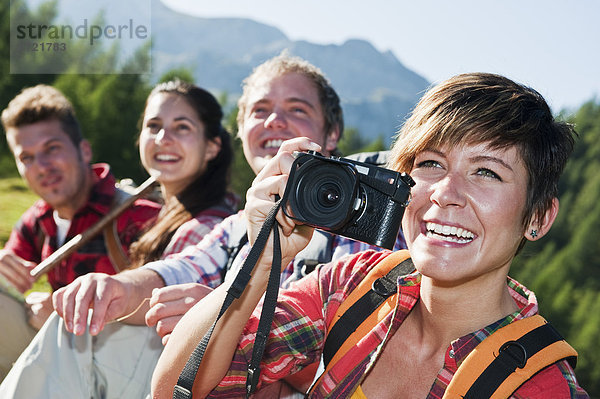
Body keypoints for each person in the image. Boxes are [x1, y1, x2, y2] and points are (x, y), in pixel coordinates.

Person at [152, 73, 590, 398]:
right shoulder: (356, 286)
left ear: (538, 217)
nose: (444, 194)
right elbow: (175, 387)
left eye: (486, 172)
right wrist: (263, 260)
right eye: (430, 164)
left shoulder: (541, 385)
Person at [0, 53, 407, 398]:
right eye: (259, 111)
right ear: (241, 131)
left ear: (331, 132)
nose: (274, 122)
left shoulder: (377, 220)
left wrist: (222, 321)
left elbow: (386, 348)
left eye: (297, 110)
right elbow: (180, 268)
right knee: (79, 333)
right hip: (217, 380)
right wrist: (119, 287)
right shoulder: (233, 226)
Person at [0, 84, 161, 380]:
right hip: (63, 361)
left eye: (52, 149)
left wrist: (66, 317)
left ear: (84, 150)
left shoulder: (138, 216)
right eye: (27, 158)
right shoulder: (36, 221)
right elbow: (10, 281)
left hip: (125, 372)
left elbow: (163, 317)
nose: (42, 166)